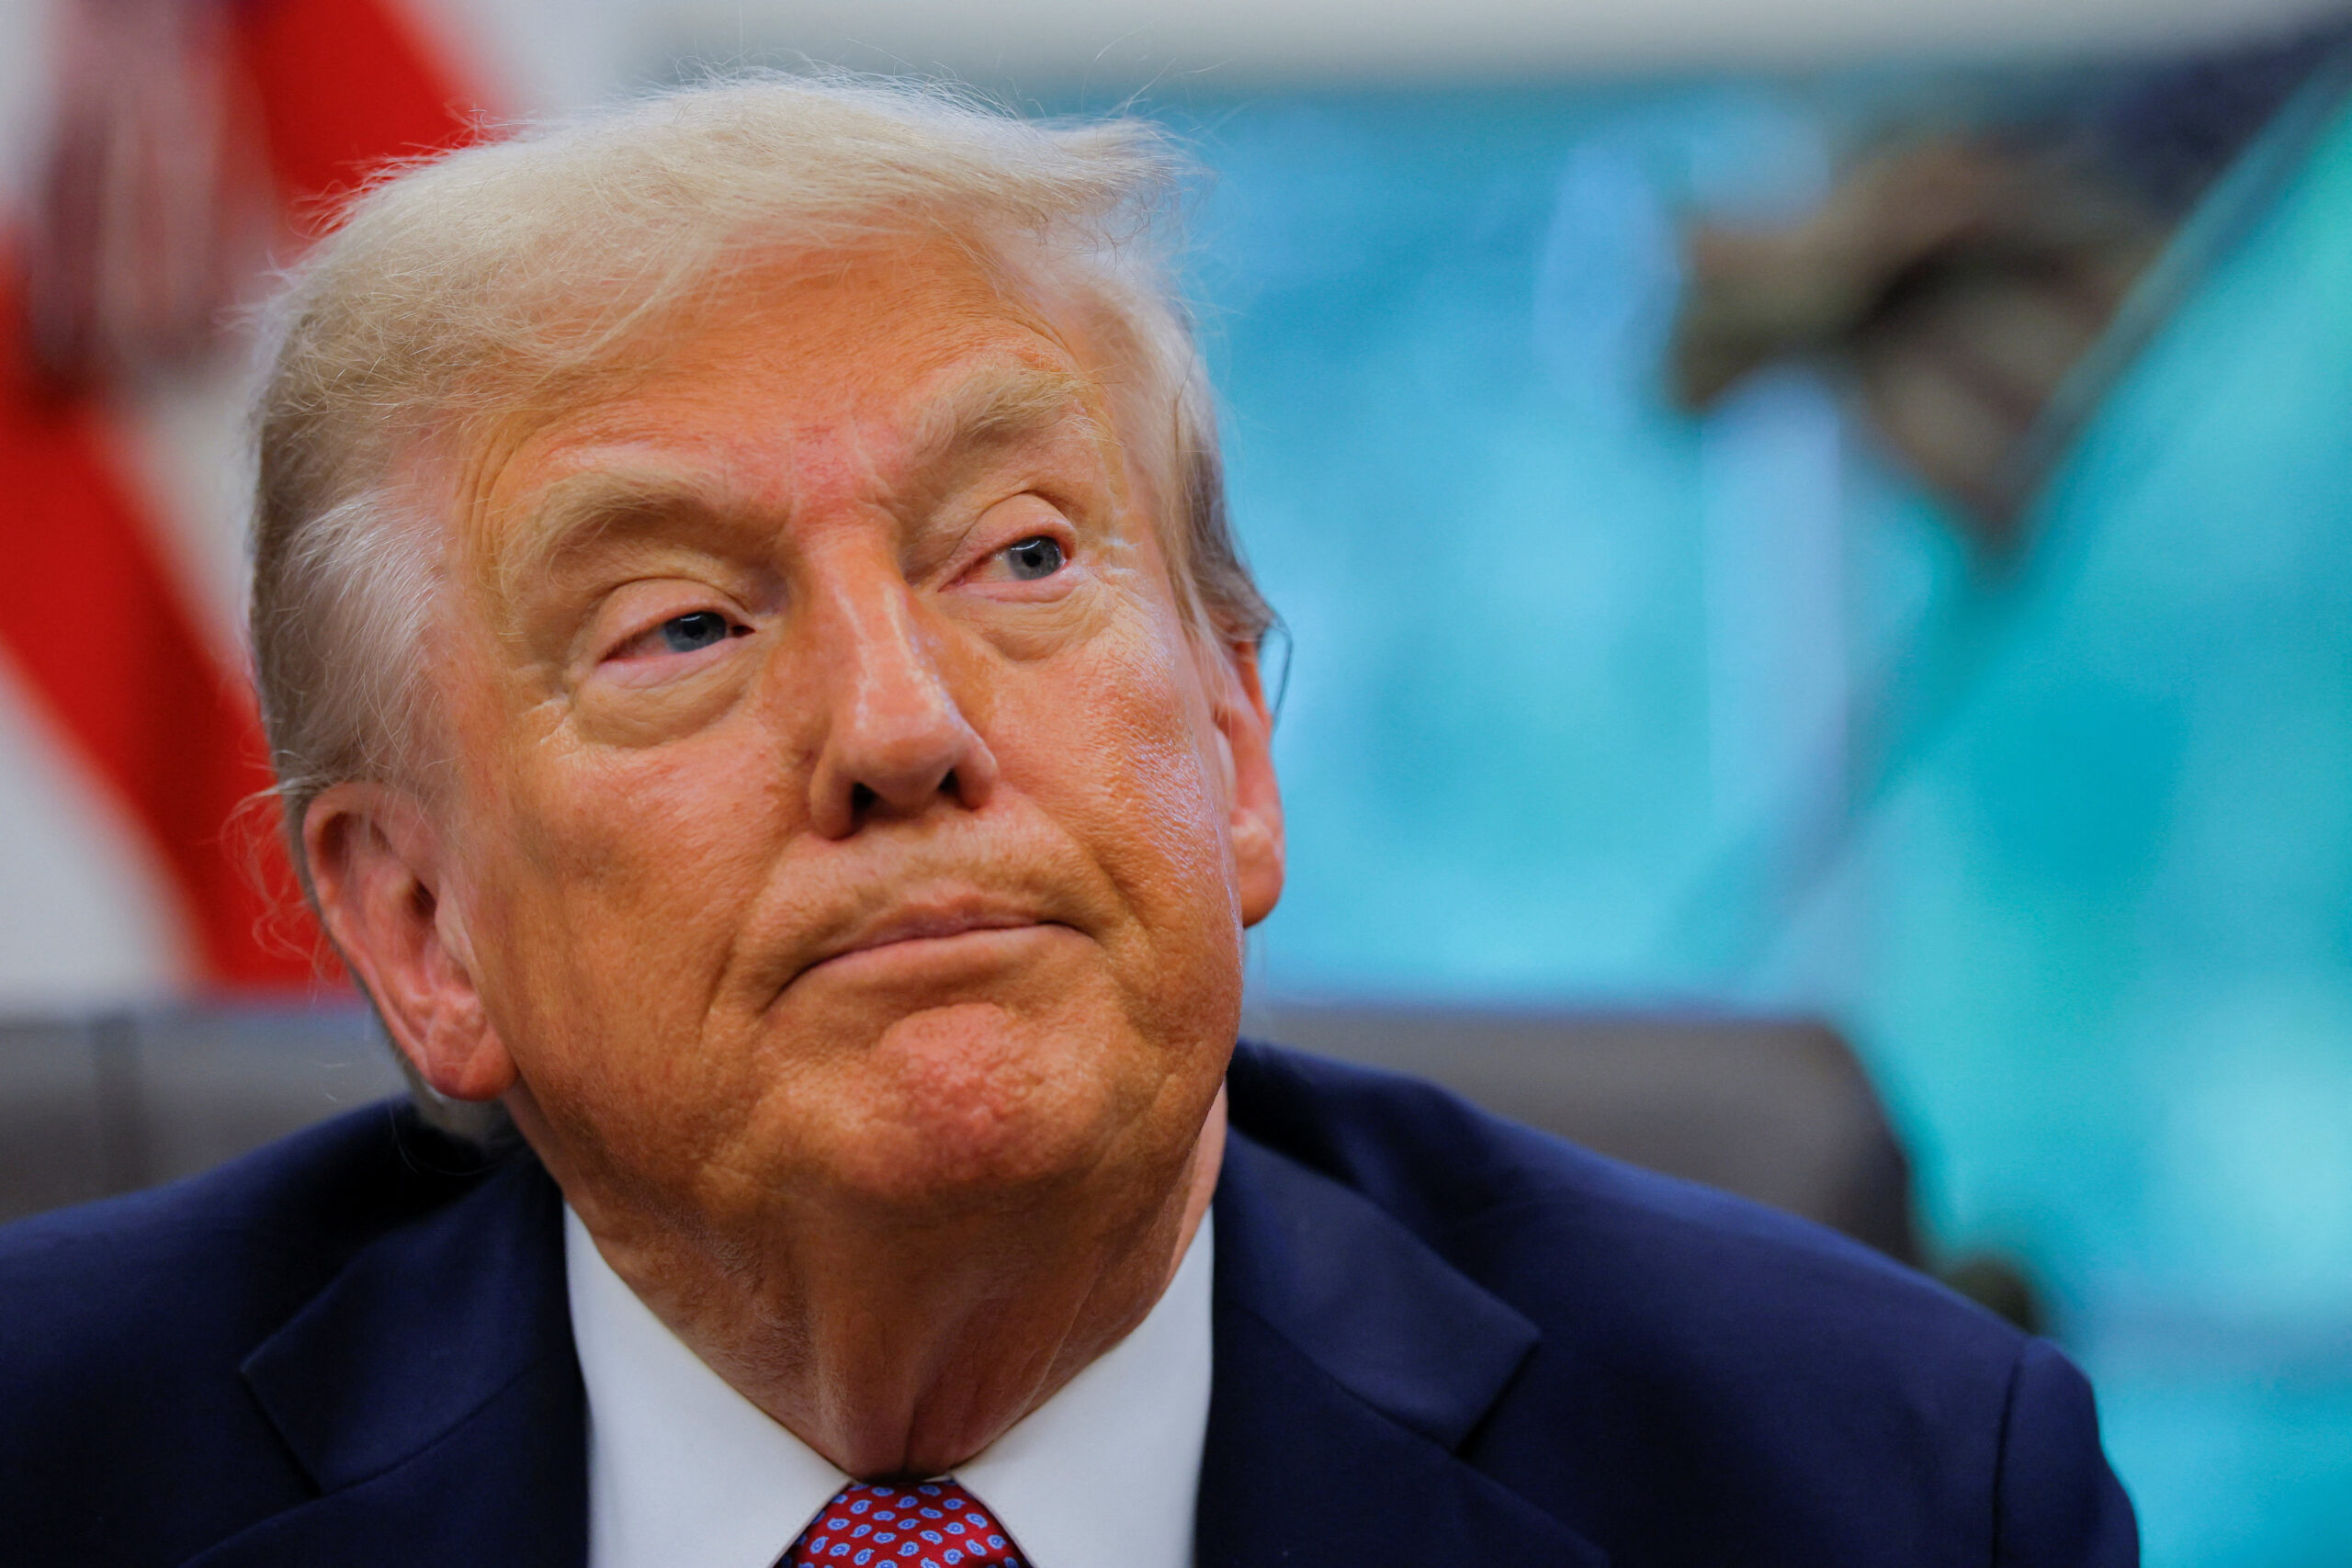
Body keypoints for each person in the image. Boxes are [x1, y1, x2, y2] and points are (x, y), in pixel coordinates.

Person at [0, 76, 2136, 1567]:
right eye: (679, 623)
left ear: (1234, 742)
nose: (900, 726)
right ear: (417, 925)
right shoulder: (54, 1464)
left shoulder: (1872, 1485)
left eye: (1020, 554)